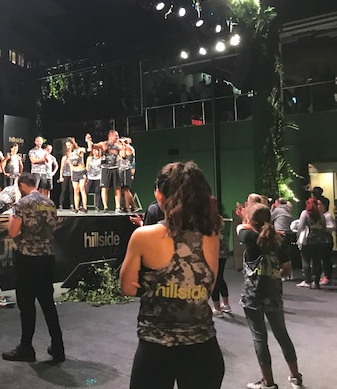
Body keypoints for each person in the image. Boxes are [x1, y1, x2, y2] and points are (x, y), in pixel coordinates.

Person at [120, 161, 224, 389]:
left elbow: (127, 287)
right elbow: (205, 289)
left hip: (156, 350)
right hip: (203, 349)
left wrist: (153, 285)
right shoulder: (211, 236)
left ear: (160, 195)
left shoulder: (143, 236)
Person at [238, 203, 303, 389]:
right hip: (273, 294)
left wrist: (244, 217)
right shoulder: (278, 240)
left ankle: (268, 383)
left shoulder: (248, 237)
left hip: (252, 296)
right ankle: (295, 377)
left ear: (250, 220)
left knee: (260, 338)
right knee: (282, 334)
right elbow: (286, 268)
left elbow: (240, 227)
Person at [2, 173, 65, 364]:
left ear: (22, 185)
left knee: (27, 305)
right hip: (47, 257)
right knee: (48, 304)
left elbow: (13, 231)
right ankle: (58, 346)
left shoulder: (22, 204)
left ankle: (26, 348)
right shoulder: (50, 203)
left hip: (27, 259)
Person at [86, 130, 124, 213]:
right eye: (116, 136)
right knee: (104, 188)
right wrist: (89, 141)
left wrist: (123, 145)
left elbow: (123, 155)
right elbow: (93, 146)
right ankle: (105, 207)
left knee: (117, 188)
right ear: (111, 136)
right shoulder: (104, 144)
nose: (117, 137)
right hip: (105, 168)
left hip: (115, 168)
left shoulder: (118, 145)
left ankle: (118, 207)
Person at [296, 197, 328, 288]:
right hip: (320, 241)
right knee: (317, 261)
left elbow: (301, 226)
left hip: (308, 240)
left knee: (305, 260)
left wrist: (298, 237)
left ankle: (307, 281)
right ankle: (316, 282)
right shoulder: (321, 214)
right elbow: (324, 228)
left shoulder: (305, 213)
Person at [211, 197, 231, 317]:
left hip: (213, 253)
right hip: (222, 252)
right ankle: (226, 305)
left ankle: (217, 308)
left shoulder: (206, 220)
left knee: (214, 280)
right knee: (220, 278)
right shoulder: (220, 218)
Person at [65, 138, 87, 213]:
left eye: (69, 145)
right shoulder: (68, 153)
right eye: (67, 146)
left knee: (82, 188)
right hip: (74, 172)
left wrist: (86, 146)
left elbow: (86, 150)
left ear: (73, 144)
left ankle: (85, 207)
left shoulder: (78, 150)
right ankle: (76, 208)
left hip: (81, 171)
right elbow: (70, 165)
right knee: (76, 190)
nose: (68, 147)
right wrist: (72, 174)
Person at [317, 197, 335, 285]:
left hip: (327, 240)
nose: (317, 206)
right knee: (321, 258)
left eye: (319, 204)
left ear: (324, 206)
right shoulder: (319, 215)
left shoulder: (327, 215)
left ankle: (327, 276)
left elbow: (333, 227)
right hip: (320, 240)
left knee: (326, 258)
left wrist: (322, 228)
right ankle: (323, 275)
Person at [120, 137, 136, 211]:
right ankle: (133, 206)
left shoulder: (129, 149)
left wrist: (132, 174)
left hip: (127, 170)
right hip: (123, 170)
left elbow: (132, 163)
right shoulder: (125, 148)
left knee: (126, 189)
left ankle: (129, 207)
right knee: (125, 189)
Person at [85, 146, 102, 212]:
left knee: (97, 191)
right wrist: (86, 176)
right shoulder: (89, 158)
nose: (95, 152)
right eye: (94, 150)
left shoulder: (101, 158)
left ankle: (97, 206)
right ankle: (83, 205)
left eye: (96, 150)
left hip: (98, 177)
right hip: (90, 176)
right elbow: (87, 167)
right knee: (86, 190)